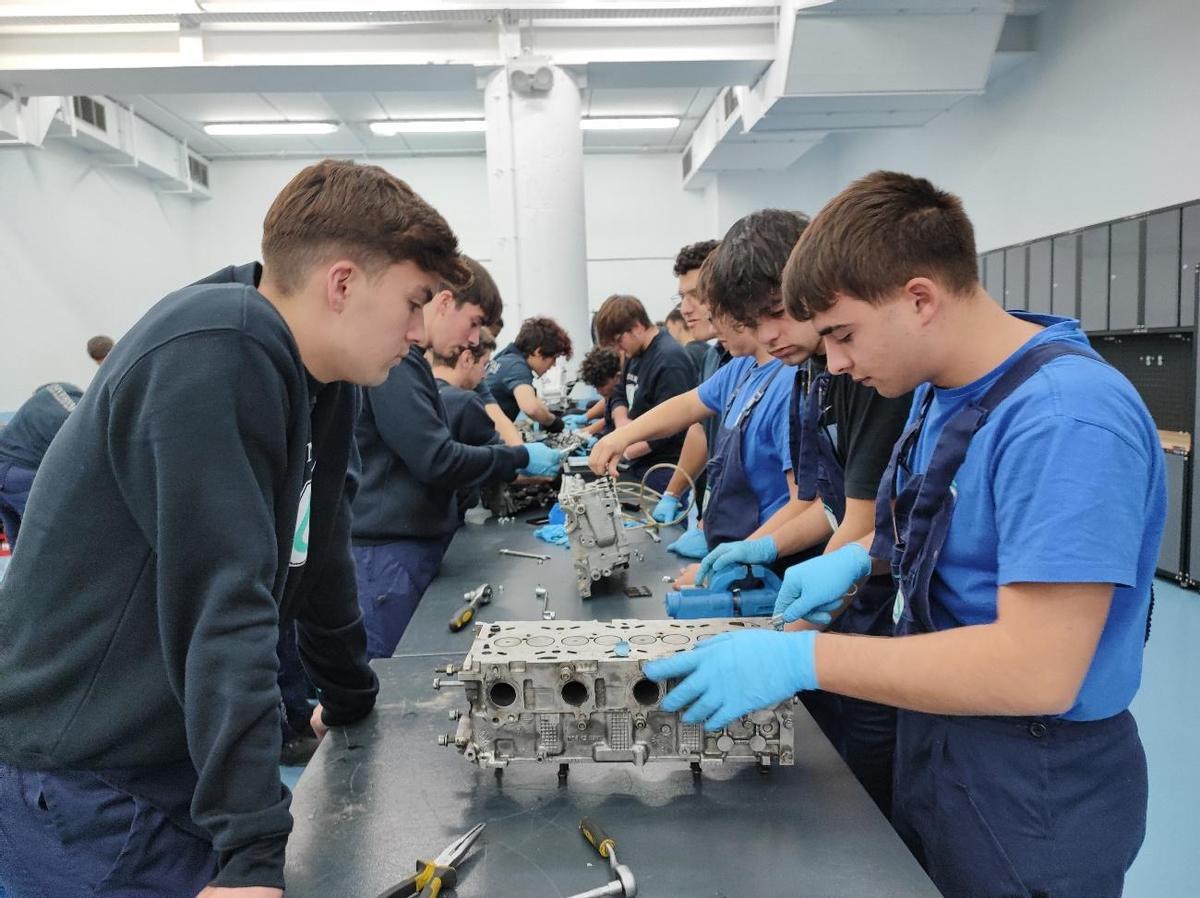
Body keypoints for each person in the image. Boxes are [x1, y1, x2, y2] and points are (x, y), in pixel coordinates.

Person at [645, 171, 1165, 898]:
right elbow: (932, 539)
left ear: (920, 298)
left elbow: (1038, 669)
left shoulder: (1062, 419)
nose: (834, 364)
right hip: (941, 736)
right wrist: (857, 562)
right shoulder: (942, 394)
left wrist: (806, 659)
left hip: (1030, 778)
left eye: (843, 335)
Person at [0, 158, 466, 896]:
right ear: (342, 283)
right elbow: (225, 602)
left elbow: (320, 544)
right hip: (85, 772)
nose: (419, 331)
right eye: (413, 302)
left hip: (165, 752)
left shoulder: (323, 375)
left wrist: (350, 699)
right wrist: (252, 851)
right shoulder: (218, 345)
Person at [694, 207, 914, 815]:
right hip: (863, 613)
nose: (766, 337)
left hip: (893, 629)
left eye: (777, 312)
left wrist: (783, 647)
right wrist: (765, 555)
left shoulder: (876, 374)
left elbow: (867, 524)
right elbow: (834, 503)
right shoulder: (825, 369)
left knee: (873, 793)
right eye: (750, 322)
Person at [352, 258, 563, 660]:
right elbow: (436, 458)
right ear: (445, 302)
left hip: (406, 547)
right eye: (473, 323)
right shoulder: (397, 365)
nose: (472, 340)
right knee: (396, 678)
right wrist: (517, 456)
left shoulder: (412, 365)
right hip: (388, 555)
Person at [592, 294, 697, 494]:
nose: (618, 349)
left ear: (637, 327)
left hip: (663, 469)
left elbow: (675, 426)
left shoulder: (669, 360)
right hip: (637, 463)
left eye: (618, 341)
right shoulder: (636, 353)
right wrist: (623, 427)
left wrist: (627, 448)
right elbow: (619, 393)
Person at [431, 327, 503, 521]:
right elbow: (498, 463)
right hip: (449, 517)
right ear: (467, 359)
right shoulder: (466, 402)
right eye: (485, 365)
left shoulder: (420, 394)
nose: (484, 375)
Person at [0, 382, 83, 548]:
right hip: (21, 474)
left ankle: (17, 573)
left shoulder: (57, 389)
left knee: (16, 535)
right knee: (43, 538)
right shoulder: (84, 420)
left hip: (6, 469)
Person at [485, 316, 574, 430]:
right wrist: (554, 423)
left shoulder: (505, 357)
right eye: (554, 358)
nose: (554, 364)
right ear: (538, 352)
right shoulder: (517, 366)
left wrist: (545, 415)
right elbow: (531, 408)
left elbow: (532, 396)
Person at [573, 346, 626, 436]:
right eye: (596, 386)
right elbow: (608, 420)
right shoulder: (611, 392)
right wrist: (583, 432)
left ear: (617, 377)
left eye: (602, 385)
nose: (598, 391)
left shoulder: (625, 398)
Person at [665, 304, 710, 376]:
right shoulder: (711, 350)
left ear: (678, 324)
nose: (667, 333)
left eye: (668, 328)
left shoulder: (684, 355)